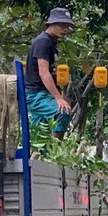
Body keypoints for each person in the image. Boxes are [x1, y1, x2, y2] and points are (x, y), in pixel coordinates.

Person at [25, 8, 74, 136]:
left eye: (68, 26)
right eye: (62, 25)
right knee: (63, 112)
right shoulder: (43, 42)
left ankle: (38, 155)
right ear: (51, 23)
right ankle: (57, 151)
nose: (65, 29)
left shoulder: (50, 42)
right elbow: (43, 72)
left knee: (39, 135)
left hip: (40, 94)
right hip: (36, 95)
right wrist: (58, 98)